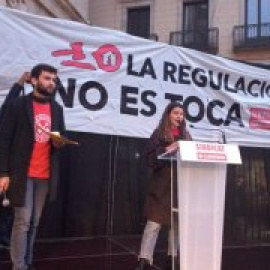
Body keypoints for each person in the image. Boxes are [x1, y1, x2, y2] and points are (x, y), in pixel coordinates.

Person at [0, 64, 66, 270]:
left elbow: (60, 137)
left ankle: (27, 260)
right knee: (23, 221)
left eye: (54, 80)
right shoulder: (17, 105)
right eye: (47, 78)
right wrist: (3, 173)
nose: (51, 83)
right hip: (22, 174)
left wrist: (59, 141)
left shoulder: (57, 109)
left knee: (34, 223)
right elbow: (4, 141)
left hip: (45, 174)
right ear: (34, 80)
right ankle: (18, 265)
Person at [135, 102, 191, 270]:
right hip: (161, 186)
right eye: (176, 113)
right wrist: (169, 147)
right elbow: (149, 159)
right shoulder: (158, 134)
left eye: (181, 114)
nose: (179, 117)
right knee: (154, 224)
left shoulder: (186, 136)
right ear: (168, 115)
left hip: (180, 185)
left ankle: (172, 256)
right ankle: (144, 258)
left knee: (176, 223)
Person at [0, 72, 31, 250]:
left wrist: (21, 82)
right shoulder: (6, 115)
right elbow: (9, 103)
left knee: (8, 207)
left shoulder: (11, 117)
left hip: (9, 170)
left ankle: (4, 239)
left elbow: (10, 102)